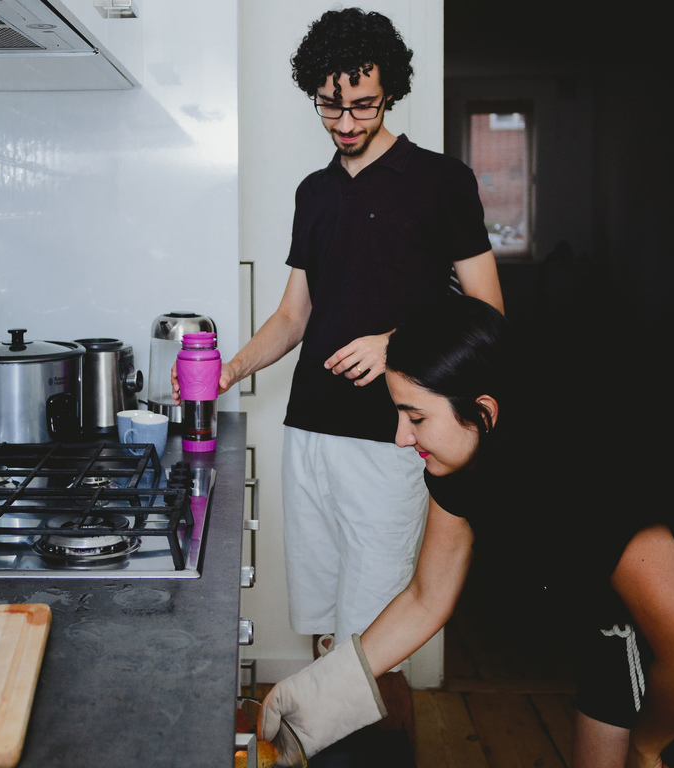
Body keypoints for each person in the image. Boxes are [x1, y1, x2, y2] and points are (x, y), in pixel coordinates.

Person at [260, 294, 674, 768]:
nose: (402, 437)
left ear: (484, 410)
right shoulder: (456, 465)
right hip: (621, 628)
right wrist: (320, 695)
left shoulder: (580, 481)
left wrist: (649, 749)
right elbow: (428, 597)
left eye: (416, 417)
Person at [176, 6, 502, 728]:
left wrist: (397, 343)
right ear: (315, 93)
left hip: (389, 440)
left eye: (364, 103)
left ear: (390, 93)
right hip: (310, 432)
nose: (348, 120)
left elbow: (487, 313)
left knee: (371, 648)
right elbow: (295, 316)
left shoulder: (442, 181)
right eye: (332, 104)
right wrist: (228, 370)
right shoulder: (314, 193)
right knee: (326, 633)